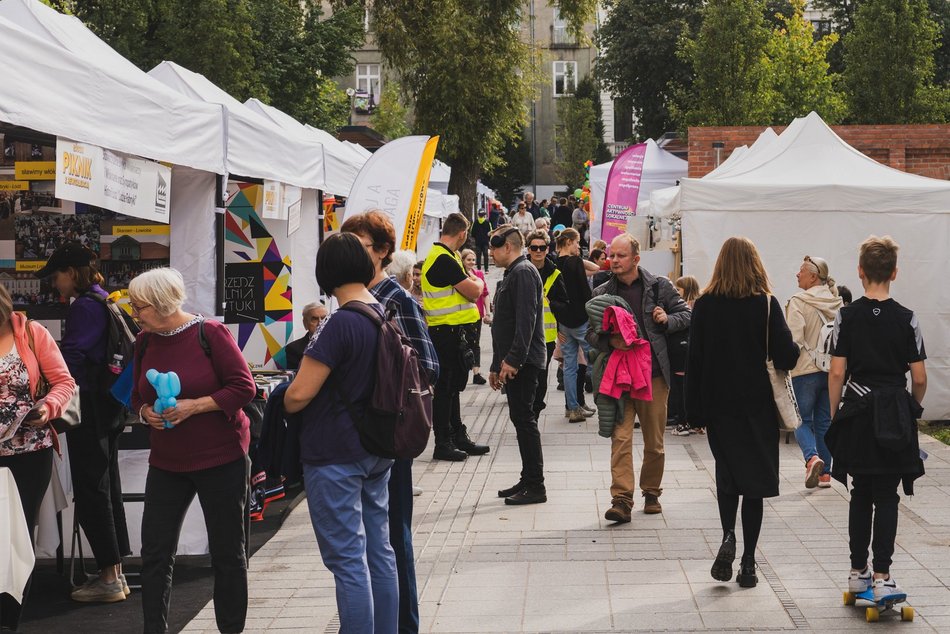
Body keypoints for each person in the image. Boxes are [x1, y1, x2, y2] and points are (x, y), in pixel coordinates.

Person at [130, 268, 256, 633]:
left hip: (221, 457)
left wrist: (194, 406)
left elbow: (243, 387)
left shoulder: (210, 333)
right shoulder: (144, 341)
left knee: (228, 553)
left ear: (161, 305)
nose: (135, 314)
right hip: (167, 461)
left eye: (139, 307)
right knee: (154, 553)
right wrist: (144, 413)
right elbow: (137, 395)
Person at [283, 233, 398, 633]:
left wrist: (283, 397)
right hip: (376, 446)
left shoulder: (339, 323)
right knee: (379, 552)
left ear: (325, 271)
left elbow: (298, 395)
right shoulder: (382, 311)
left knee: (348, 561)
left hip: (335, 451)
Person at [340, 212, 440, 634]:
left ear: (382, 252)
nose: (350, 255)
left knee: (392, 540)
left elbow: (429, 367)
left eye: (360, 247)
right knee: (366, 544)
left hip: (390, 435)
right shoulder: (352, 298)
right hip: (359, 440)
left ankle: (403, 627)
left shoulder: (395, 298)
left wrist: (381, 387)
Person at [685, 237, 798, 588]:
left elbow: (695, 362)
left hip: (720, 408)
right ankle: (748, 562)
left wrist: (695, 412)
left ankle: (727, 535)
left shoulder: (703, 305)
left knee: (728, 476)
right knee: (755, 484)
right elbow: (786, 357)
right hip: (757, 408)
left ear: (720, 264)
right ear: (755, 263)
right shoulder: (766, 304)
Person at [826, 236, 926, 605]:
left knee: (860, 493)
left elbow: (836, 372)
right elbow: (918, 377)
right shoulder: (907, 318)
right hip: (892, 417)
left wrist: (836, 414)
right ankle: (883, 576)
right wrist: (911, 409)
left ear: (860, 271)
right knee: (887, 495)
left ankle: (857, 572)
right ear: (894, 273)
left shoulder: (846, 315)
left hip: (857, 413)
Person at [36, 242, 130, 603]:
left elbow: (72, 359)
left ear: (72, 273)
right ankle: (116, 572)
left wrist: (47, 382)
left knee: (93, 492)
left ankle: (108, 576)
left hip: (88, 408)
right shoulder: (106, 299)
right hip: (109, 408)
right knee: (107, 489)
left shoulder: (84, 308)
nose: (54, 284)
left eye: (56, 276)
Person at [589, 234, 691, 521]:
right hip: (619, 376)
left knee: (654, 440)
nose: (614, 261)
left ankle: (651, 491)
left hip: (653, 375)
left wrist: (666, 320)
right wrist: (610, 342)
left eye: (621, 256)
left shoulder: (659, 286)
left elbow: (686, 315)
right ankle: (621, 499)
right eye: (612, 255)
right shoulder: (602, 292)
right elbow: (591, 334)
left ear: (636, 258)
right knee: (620, 438)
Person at [0, 285, 76, 632]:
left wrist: (47, 408)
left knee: (16, 539)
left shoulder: (31, 333)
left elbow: (64, 383)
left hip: (28, 454)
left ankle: (8, 619)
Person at [421, 212, 489, 461]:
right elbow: (473, 291)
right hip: (447, 333)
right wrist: (478, 284)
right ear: (462, 234)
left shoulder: (446, 256)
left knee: (453, 389)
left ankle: (457, 436)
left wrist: (474, 282)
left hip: (451, 332)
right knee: (446, 388)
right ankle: (443, 442)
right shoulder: (444, 259)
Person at [487, 226, 547, 505]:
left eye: (494, 248)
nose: (490, 253)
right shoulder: (514, 272)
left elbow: (526, 321)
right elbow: (503, 322)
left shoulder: (523, 272)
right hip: (514, 360)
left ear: (508, 247)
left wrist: (512, 360)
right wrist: (495, 363)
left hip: (523, 362)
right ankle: (528, 478)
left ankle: (536, 486)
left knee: (525, 421)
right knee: (521, 420)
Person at [786, 256, 843, 489]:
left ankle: (811, 458)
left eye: (801, 271)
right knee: (824, 422)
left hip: (805, 370)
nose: (797, 274)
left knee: (799, 420)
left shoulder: (798, 302)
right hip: (830, 371)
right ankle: (825, 475)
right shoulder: (837, 302)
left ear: (813, 276)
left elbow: (794, 340)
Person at [526, 230, 569, 421]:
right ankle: (526, 411)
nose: (538, 251)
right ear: (528, 249)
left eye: (541, 248)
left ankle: (535, 411)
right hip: (523, 335)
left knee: (541, 377)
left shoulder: (555, 273)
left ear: (547, 249)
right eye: (534, 247)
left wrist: (550, 302)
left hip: (546, 336)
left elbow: (564, 303)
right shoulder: (519, 269)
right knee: (526, 377)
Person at [555, 228, 597, 423]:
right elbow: (585, 292)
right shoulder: (575, 262)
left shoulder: (553, 263)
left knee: (569, 367)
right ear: (569, 241)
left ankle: (572, 408)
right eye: (577, 242)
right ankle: (610, 403)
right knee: (599, 359)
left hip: (563, 321)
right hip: (581, 319)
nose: (579, 246)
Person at [670, 275, 700, 437]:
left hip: (682, 352)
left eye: (678, 289)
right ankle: (695, 423)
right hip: (691, 353)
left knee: (681, 390)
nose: (676, 292)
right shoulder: (699, 305)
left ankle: (683, 423)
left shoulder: (687, 308)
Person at [460, 248, 490, 385]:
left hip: (477, 315)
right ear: (463, 261)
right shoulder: (460, 275)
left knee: (475, 344)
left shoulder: (478, 274)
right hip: (462, 315)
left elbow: (485, 293)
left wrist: (488, 312)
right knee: (464, 344)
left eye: (473, 259)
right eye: (468, 260)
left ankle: (476, 373)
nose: (471, 262)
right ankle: (464, 370)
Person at [284, 302, 328, 371]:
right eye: (314, 319)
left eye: (324, 319)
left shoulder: (339, 344)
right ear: (305, 323)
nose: (320, 323)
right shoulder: (293, 349)